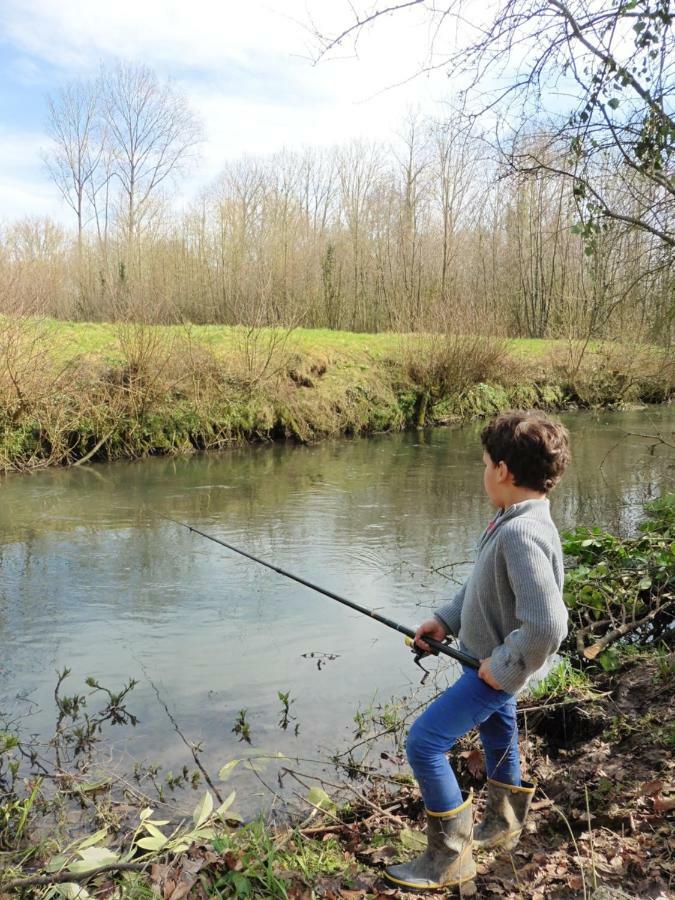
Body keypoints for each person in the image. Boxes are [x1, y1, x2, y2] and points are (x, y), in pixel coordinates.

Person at [385, 410, 571, 891]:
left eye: (486, 463)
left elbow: (549, 623)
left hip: (493, 668)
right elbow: (481, 587)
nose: (483, 471)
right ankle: (505, 823)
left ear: (504, 471)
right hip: (490, 662)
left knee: (424, 743)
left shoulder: (521, 533)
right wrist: (445, 622)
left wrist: (503, 668)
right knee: (498, 731)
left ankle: (449, 857)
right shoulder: (516, 518)